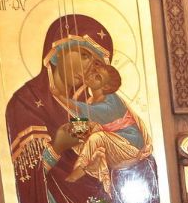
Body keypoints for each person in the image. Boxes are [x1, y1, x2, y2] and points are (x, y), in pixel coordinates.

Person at [6, 15, 154, 203]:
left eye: (97, 64)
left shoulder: (94, 102)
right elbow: (23, 178)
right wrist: (57, 148)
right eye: (84, 56)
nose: (89, 68)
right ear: (57, 51)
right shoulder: (26, 103)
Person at [64, 62, 151, 190]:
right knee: (73, 129)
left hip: (130, 146)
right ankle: (89, 164)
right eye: (93, 71)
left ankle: (79, 169)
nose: (91, 75)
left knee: (96, 137)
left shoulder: (108, 106)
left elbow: (79, 108)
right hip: (115, 138)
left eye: (97, 77)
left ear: (106, 86)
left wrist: (57, 95)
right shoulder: (95, 99)